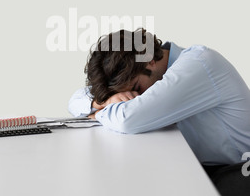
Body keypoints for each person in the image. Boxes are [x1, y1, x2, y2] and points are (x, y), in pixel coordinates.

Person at [68, 28, 250, 166]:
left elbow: (128, 119)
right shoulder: (143, 70)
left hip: (238, 172)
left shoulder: (199, 64)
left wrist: (98, 112)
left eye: (137, 88)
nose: (135, 97)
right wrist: (103, 101)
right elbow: (75, 100)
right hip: (202, 168)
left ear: (149, 59)